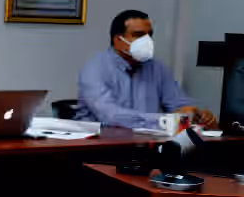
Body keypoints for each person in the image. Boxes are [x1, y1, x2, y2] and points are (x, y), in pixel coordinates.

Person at [76, 9, 217, 129]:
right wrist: (165, 120)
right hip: (100, 145)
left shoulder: (157, 67)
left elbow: (179, 105)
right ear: (118, 40)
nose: (147, 41)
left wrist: (197, 115)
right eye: (138, 35)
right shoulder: (94, 69)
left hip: (146, 143)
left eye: (149, 35)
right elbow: (111, 116)